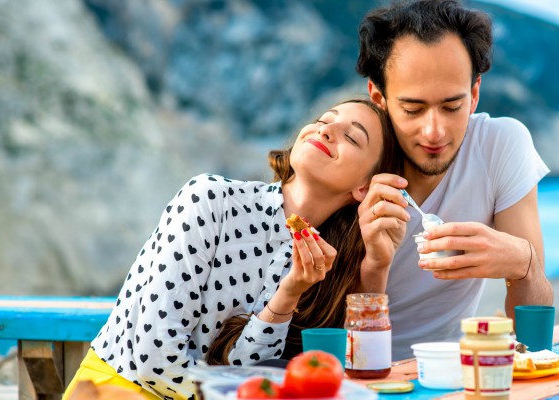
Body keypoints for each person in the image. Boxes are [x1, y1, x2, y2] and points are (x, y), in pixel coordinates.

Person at [64, 98, 400, 400]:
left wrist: (372, 267)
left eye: (352, 137)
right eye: (325, 119)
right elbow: (154, 360)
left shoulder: (323, 265)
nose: (327, 131)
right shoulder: (210, 199)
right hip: (115, 391)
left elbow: (251, 373)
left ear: (364, 188)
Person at [354, 0, 554, 360]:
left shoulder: (499, 145)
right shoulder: (350, 160)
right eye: (413, 109)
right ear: (378, 98)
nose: (434, 132)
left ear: (474, 94)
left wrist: (524, 265)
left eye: (452, 107)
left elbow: (536, 344)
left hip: (445, 378)